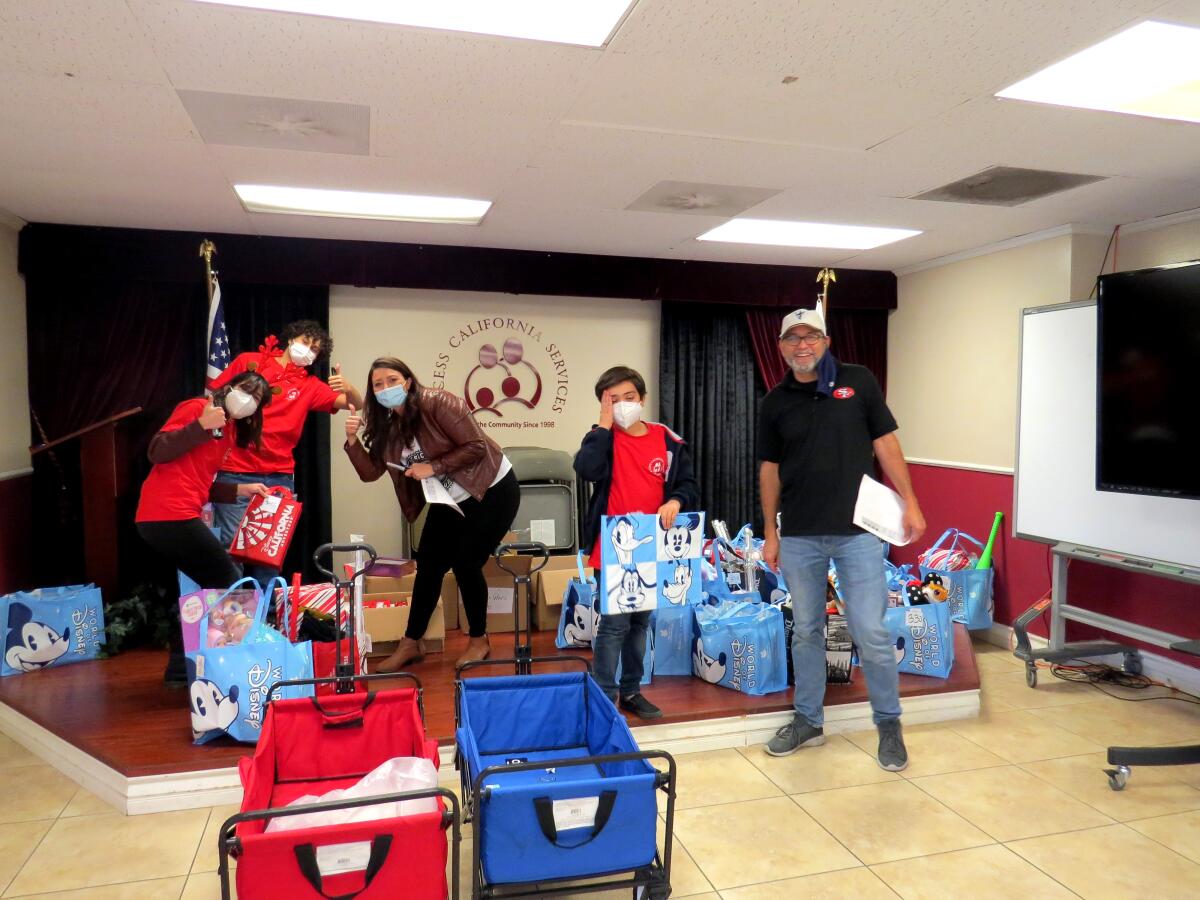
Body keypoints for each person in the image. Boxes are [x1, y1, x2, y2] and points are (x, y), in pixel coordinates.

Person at [758, 307, 926, 771]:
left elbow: (886, 443)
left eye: (810, 336)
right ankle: (808, 720)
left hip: (859, 535)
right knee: (807, 631)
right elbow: (769, 470)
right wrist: (770, 531)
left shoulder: (859, 382)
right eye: (792, 339)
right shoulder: (775, 402)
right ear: (781, 347)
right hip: (800, 536)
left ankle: (889, 726)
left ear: (826, 341)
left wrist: (910, 501)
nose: (802, 345)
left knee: (871, 631)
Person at [344, 357, 519, 671]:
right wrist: (353, 440)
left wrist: (432, 467)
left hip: (490, 488)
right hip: (447, 496)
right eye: (378, 384)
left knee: (467, 562)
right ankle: (411, 643)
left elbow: (476, 445)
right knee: (428, 563)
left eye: (392, 380)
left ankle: (479, 640)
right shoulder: (387, 425)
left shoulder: (438, 402)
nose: (386, 388)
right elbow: (370, 472)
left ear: (408, 381)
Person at [575, 366, 699, 719]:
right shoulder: (602, 437)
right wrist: (602, 423)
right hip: (613, 547)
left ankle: (631, 690)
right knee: (614, 624)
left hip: (653, 547)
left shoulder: (667, 440)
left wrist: (675, 501)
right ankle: (603, 695)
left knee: (640, 623)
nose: (623, 405)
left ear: (642, 399)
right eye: (613, 400)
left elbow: (688, 485)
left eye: (629, 397)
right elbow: (586, 470)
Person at [135, 372, 273, 681]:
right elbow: (157, 451)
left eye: (257, 400)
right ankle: (234, 666)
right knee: (229, 582)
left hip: (175, 515)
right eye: (245, 389)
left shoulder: (230, 430)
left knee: (213, 586)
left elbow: (199, 481)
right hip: (167, 513)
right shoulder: (198, 407)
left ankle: (184, 670)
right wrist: (200, 426)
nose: (248, 399)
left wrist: (240, 489)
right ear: (230, 387)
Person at [209, 320, 362, 581]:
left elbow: (355, 404)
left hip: (278, 477)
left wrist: (348, 388)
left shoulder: (310, 386)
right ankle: (233, 617)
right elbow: (215, 394)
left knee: (268, 555)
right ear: (291, 339)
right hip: (235, 470)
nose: (308, 351)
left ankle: (267, 617)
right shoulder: (249, 361)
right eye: (305, 342)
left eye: (315, 350)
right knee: (229, 550)